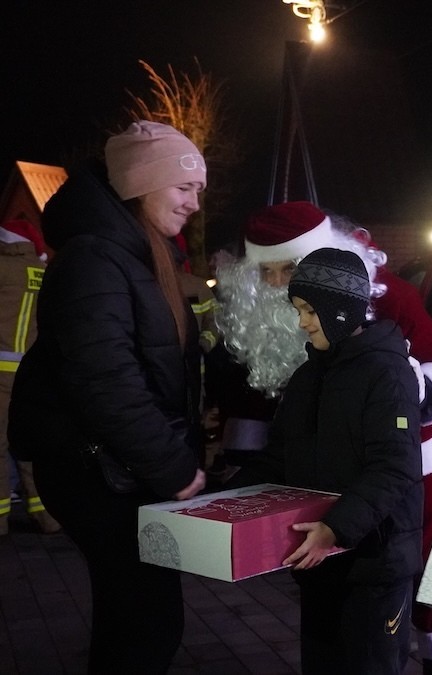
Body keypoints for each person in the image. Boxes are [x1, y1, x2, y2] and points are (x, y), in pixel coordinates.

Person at [212, 201, 432, 673]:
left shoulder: (388, 306)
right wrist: (235, 491)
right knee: (336, 627)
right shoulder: (296, 346)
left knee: (428, 560)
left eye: (289, 268)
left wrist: (410, 394)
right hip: (322, 471)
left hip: (405, 460)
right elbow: (263, 413)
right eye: (266, 272)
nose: (275, 284)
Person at [7, 120, 209, 673]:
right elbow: (106, 379)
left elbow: (156, 357)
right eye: (184, 187)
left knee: (140, 616)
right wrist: (172, 466)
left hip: (122, 466)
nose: (194, 203)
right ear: (140, 185)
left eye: (198, 190)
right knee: (145, 622)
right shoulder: (95, 258)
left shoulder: (138, 251)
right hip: (100, 473)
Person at [260, 247, 424, 674]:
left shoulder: (388, 373)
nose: (302, 322)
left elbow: (395, 466)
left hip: (374, 567)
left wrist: (337, 528)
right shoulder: (308, 376)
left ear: (340, 309)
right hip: (322, 566)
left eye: (310, 310)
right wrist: (224, 503)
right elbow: (280, 456)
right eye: (298, 310)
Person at [0, 219, 60, 536]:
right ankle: (46, 516)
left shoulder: (3, 269)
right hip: (30, 371)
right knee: (29, 447)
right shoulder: (43, 271)